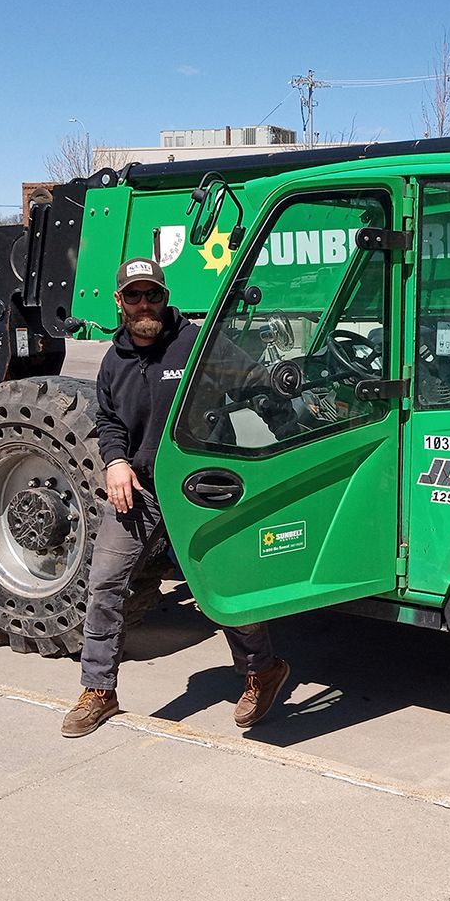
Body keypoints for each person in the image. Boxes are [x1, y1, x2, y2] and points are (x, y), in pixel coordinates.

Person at [61, 257, 291, 738]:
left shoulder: (197, 344)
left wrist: (288, 448)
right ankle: (98, 690)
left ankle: (262, 671)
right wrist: (114, 461)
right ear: (119, 302)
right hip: (140, 491)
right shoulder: (113, 361)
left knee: (220, 584)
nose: (145, 304)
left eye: (154, 294)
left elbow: (258, 387)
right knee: (104, 583)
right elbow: (108, 423)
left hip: (197, 488)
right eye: (135, 295)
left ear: (166, 298)